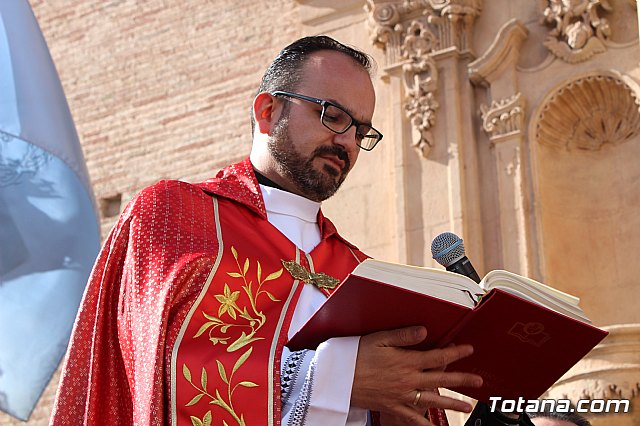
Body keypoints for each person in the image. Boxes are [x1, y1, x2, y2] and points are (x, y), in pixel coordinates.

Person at [50, 35, 485, 425]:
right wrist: (337, 380)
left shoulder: (359, 269)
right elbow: (149, 369)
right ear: (267, 110)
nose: (349, 142)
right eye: (333, 116)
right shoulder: (174, 214)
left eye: (362, 130)